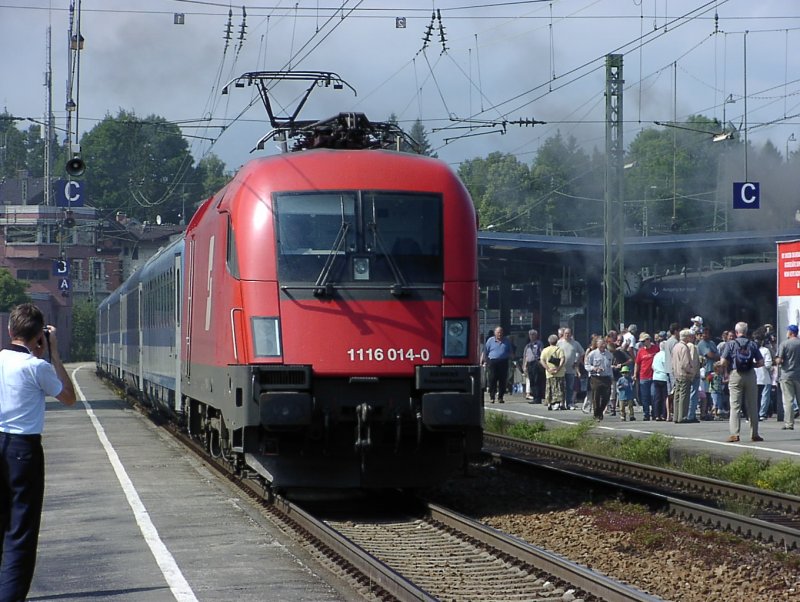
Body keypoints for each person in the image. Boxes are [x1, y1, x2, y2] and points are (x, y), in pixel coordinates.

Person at [0, 303, 76, 601]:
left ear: (10, 330)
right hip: (23, 451)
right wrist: (54, 354)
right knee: (21, 532)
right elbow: (69, 397)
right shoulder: (37, 367)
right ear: (39, 336)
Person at [719, 321, 764, 443]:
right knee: (752, 405)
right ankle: (754, 434)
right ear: (746, 331)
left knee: (735, 405)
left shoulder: (731, 344)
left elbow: (722, 362)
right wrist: (752, 364)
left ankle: (735, 434)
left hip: (736, 374)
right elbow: (761, 362)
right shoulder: (753, 344)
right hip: (750, 375)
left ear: (736, 332)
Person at [671, 329, 700, 423]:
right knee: (684, 396)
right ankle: (682, 416)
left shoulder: (676, 346)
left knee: (677, 395)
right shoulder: (684, 347)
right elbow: (685, 364)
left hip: (677, 374)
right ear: (686, 337)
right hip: (684, 374)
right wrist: (692, 371)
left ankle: (676, 416)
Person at [775, 324, 800, 431]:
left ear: (791, 332)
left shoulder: (784, 344)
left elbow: (779, 360)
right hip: (798, 375)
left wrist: (776, 361)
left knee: (789, 400)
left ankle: (789, 423)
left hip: (787, 375)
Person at [481, 326, 513, 404]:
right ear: (495, 333)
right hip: (492, 362)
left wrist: (512, 357)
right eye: (498, 332)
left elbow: (510, 351)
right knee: (492, 379)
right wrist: (483, 360)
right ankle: (492, 397)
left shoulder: (507, 341)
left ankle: (500, 397)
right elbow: (485, 351)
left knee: (502, 380)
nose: (500, 334)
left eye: (501, 332)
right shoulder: (490, 340)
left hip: (503, 362)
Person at [584, 337, 614, 420]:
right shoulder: (592, 354)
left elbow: (609, 367)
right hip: (596, 377)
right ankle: (596, 414)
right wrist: (594, 368)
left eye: (604, 344)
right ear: (597, 345)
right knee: (596, 397)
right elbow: (586, 365)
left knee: (606, 397)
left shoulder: (609, 354)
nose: (602, 346)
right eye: (600, 344)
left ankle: (600, 411)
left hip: (606, 377)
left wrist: (611, 376)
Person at [557, 328, 584, 410]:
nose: (567, 335)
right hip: (561, 369)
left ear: (571, 334)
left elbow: (582, 353)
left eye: (568, 333)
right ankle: (561, 403)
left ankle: (569, 403)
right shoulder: (559, 343)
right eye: (565, 333)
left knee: (570, 387)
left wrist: (577, 363)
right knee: (561, 387)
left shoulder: (575, 343)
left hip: (571, 369)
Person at [633, 332, 658, 421]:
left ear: (648, 340)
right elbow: (637, 363)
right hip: (643, 376)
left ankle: (654, 413)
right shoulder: (641, 351)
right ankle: (646, 413)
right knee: (645, 396)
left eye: (644, 341)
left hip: (654, 376)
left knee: (653, 395)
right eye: (642, 341)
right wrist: (635, 374)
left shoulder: (656, 349)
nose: (643, 343)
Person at [540, 334, 566, 410]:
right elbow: (562, 359)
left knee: (549, 388)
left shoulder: (545, 350)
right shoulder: (559, 349)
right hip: (559, 372)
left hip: (549, 373)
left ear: (549, 341)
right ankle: (560, 402)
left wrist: (548, 368)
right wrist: (558, 368)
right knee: (559, 388)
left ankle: (549, 403)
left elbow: (542, 360)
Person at [521, 329, 544, 404]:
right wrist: (524, 366)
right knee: (532, 381)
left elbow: (542, 353)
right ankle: (534, 397)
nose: (531, 336)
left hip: (536, 363)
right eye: (530, 334)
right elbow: (525, 356)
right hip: (529, 364)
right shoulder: (528, 345)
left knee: (537, 381)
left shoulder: (539, 343)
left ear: (536, 335)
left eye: (533, 334)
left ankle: (538, 398)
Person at [652, 340, 670, 421]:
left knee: (657, 397)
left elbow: (652, 366)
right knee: (664, 397)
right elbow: (668, 367)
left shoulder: (656, 355)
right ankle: (663, 414)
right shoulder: (665, 355)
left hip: (656, 376)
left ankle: (656, 415)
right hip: (663, 377)